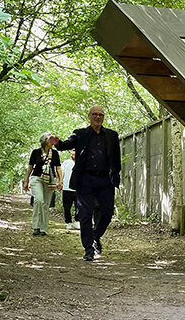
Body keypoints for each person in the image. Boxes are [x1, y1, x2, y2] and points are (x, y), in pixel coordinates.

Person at [53, 106, 121, 261]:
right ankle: (88, 249)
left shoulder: (112, 135)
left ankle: (95, 236)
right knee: (85, 214)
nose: (98, 117)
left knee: (106, 213)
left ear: (103, 117)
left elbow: (116, 157)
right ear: (89, 116)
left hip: (106, 180)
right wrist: (57, 143)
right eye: (95, 114)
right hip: (86, 180)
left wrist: (116, 174)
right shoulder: (80, 133)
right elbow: (66, 145)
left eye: (101, 115)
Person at [23, 133, 63, 236]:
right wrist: (26, 181)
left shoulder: (55, 153)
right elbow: (30, 167)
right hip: (37, 178)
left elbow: (58, 168)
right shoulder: (36, 152)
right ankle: (36, 226)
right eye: (51, 139)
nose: (53, 142)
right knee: (39, 200)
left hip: (50, 180)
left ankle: (43, 229)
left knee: (46, 204)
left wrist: (60, 181)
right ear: (45, 141)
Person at [61, 150, 80, 230]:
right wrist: (60, 183)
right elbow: (61, 173)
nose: (73, 155)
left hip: (78, 189)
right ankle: (68, 222)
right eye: (72, 154)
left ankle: (77, 221)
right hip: (66, 188)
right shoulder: (66, 163)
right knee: (67, 206)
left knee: (79, 206)